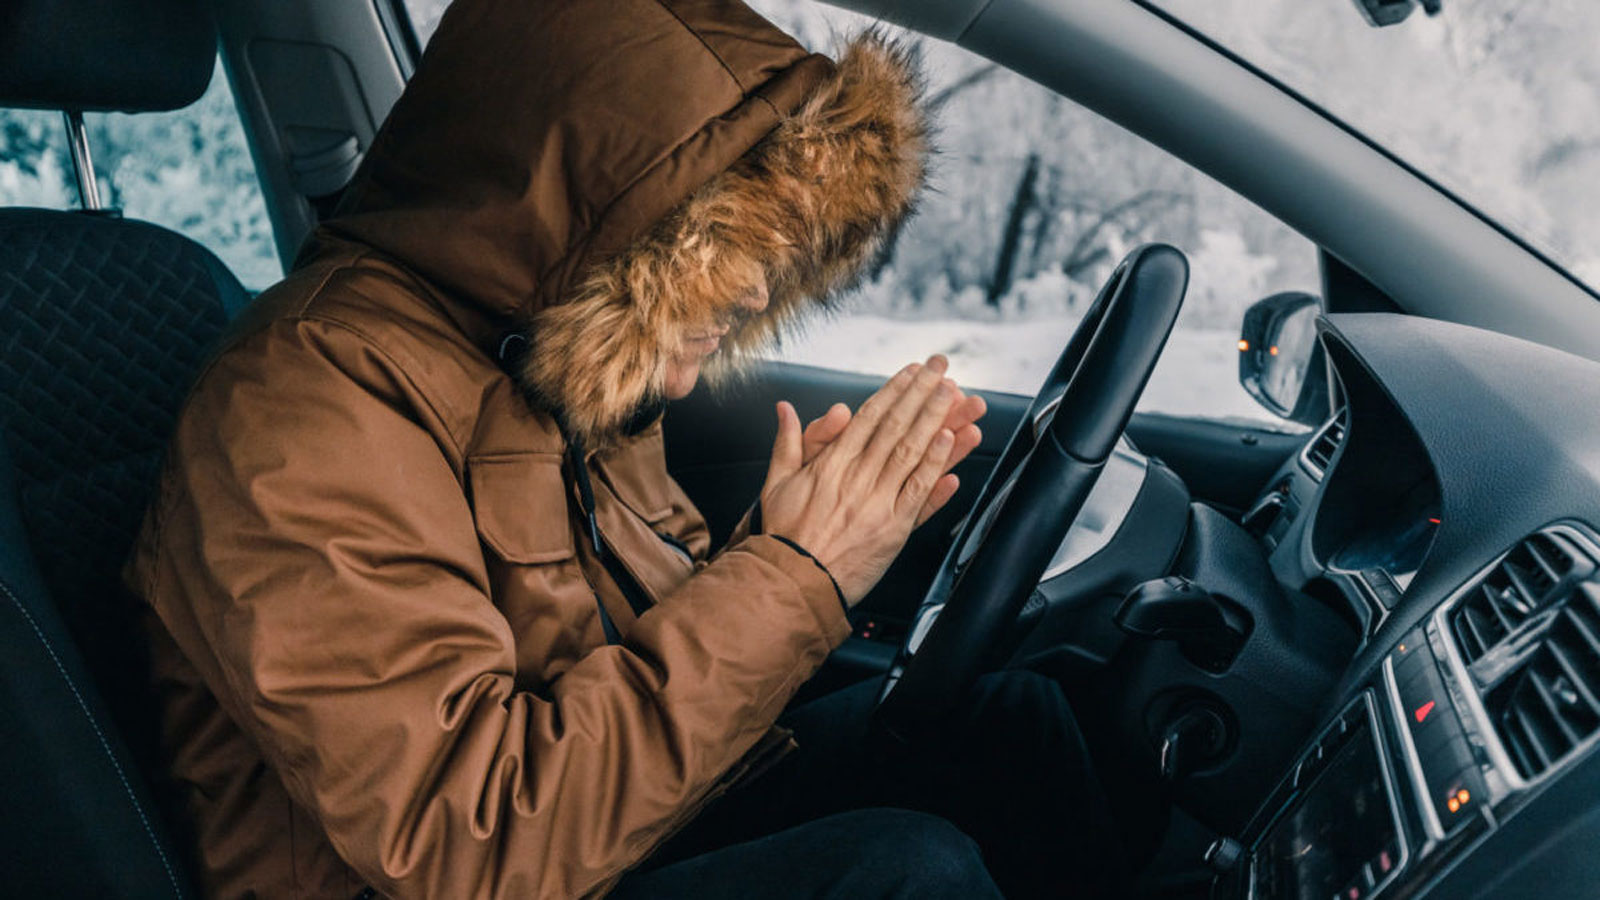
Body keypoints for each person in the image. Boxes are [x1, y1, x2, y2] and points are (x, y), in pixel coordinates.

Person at [126, 1, 1121, 897]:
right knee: (905, 875)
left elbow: (615, 652)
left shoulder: (552, 355)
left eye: (769, 260)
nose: (746, 296)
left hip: (603, 830)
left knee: (1008, 728)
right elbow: (469, 846)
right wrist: (791, 575)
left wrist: (772, 549)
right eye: (724, 251)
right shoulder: (305, 404)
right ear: (588, 213)